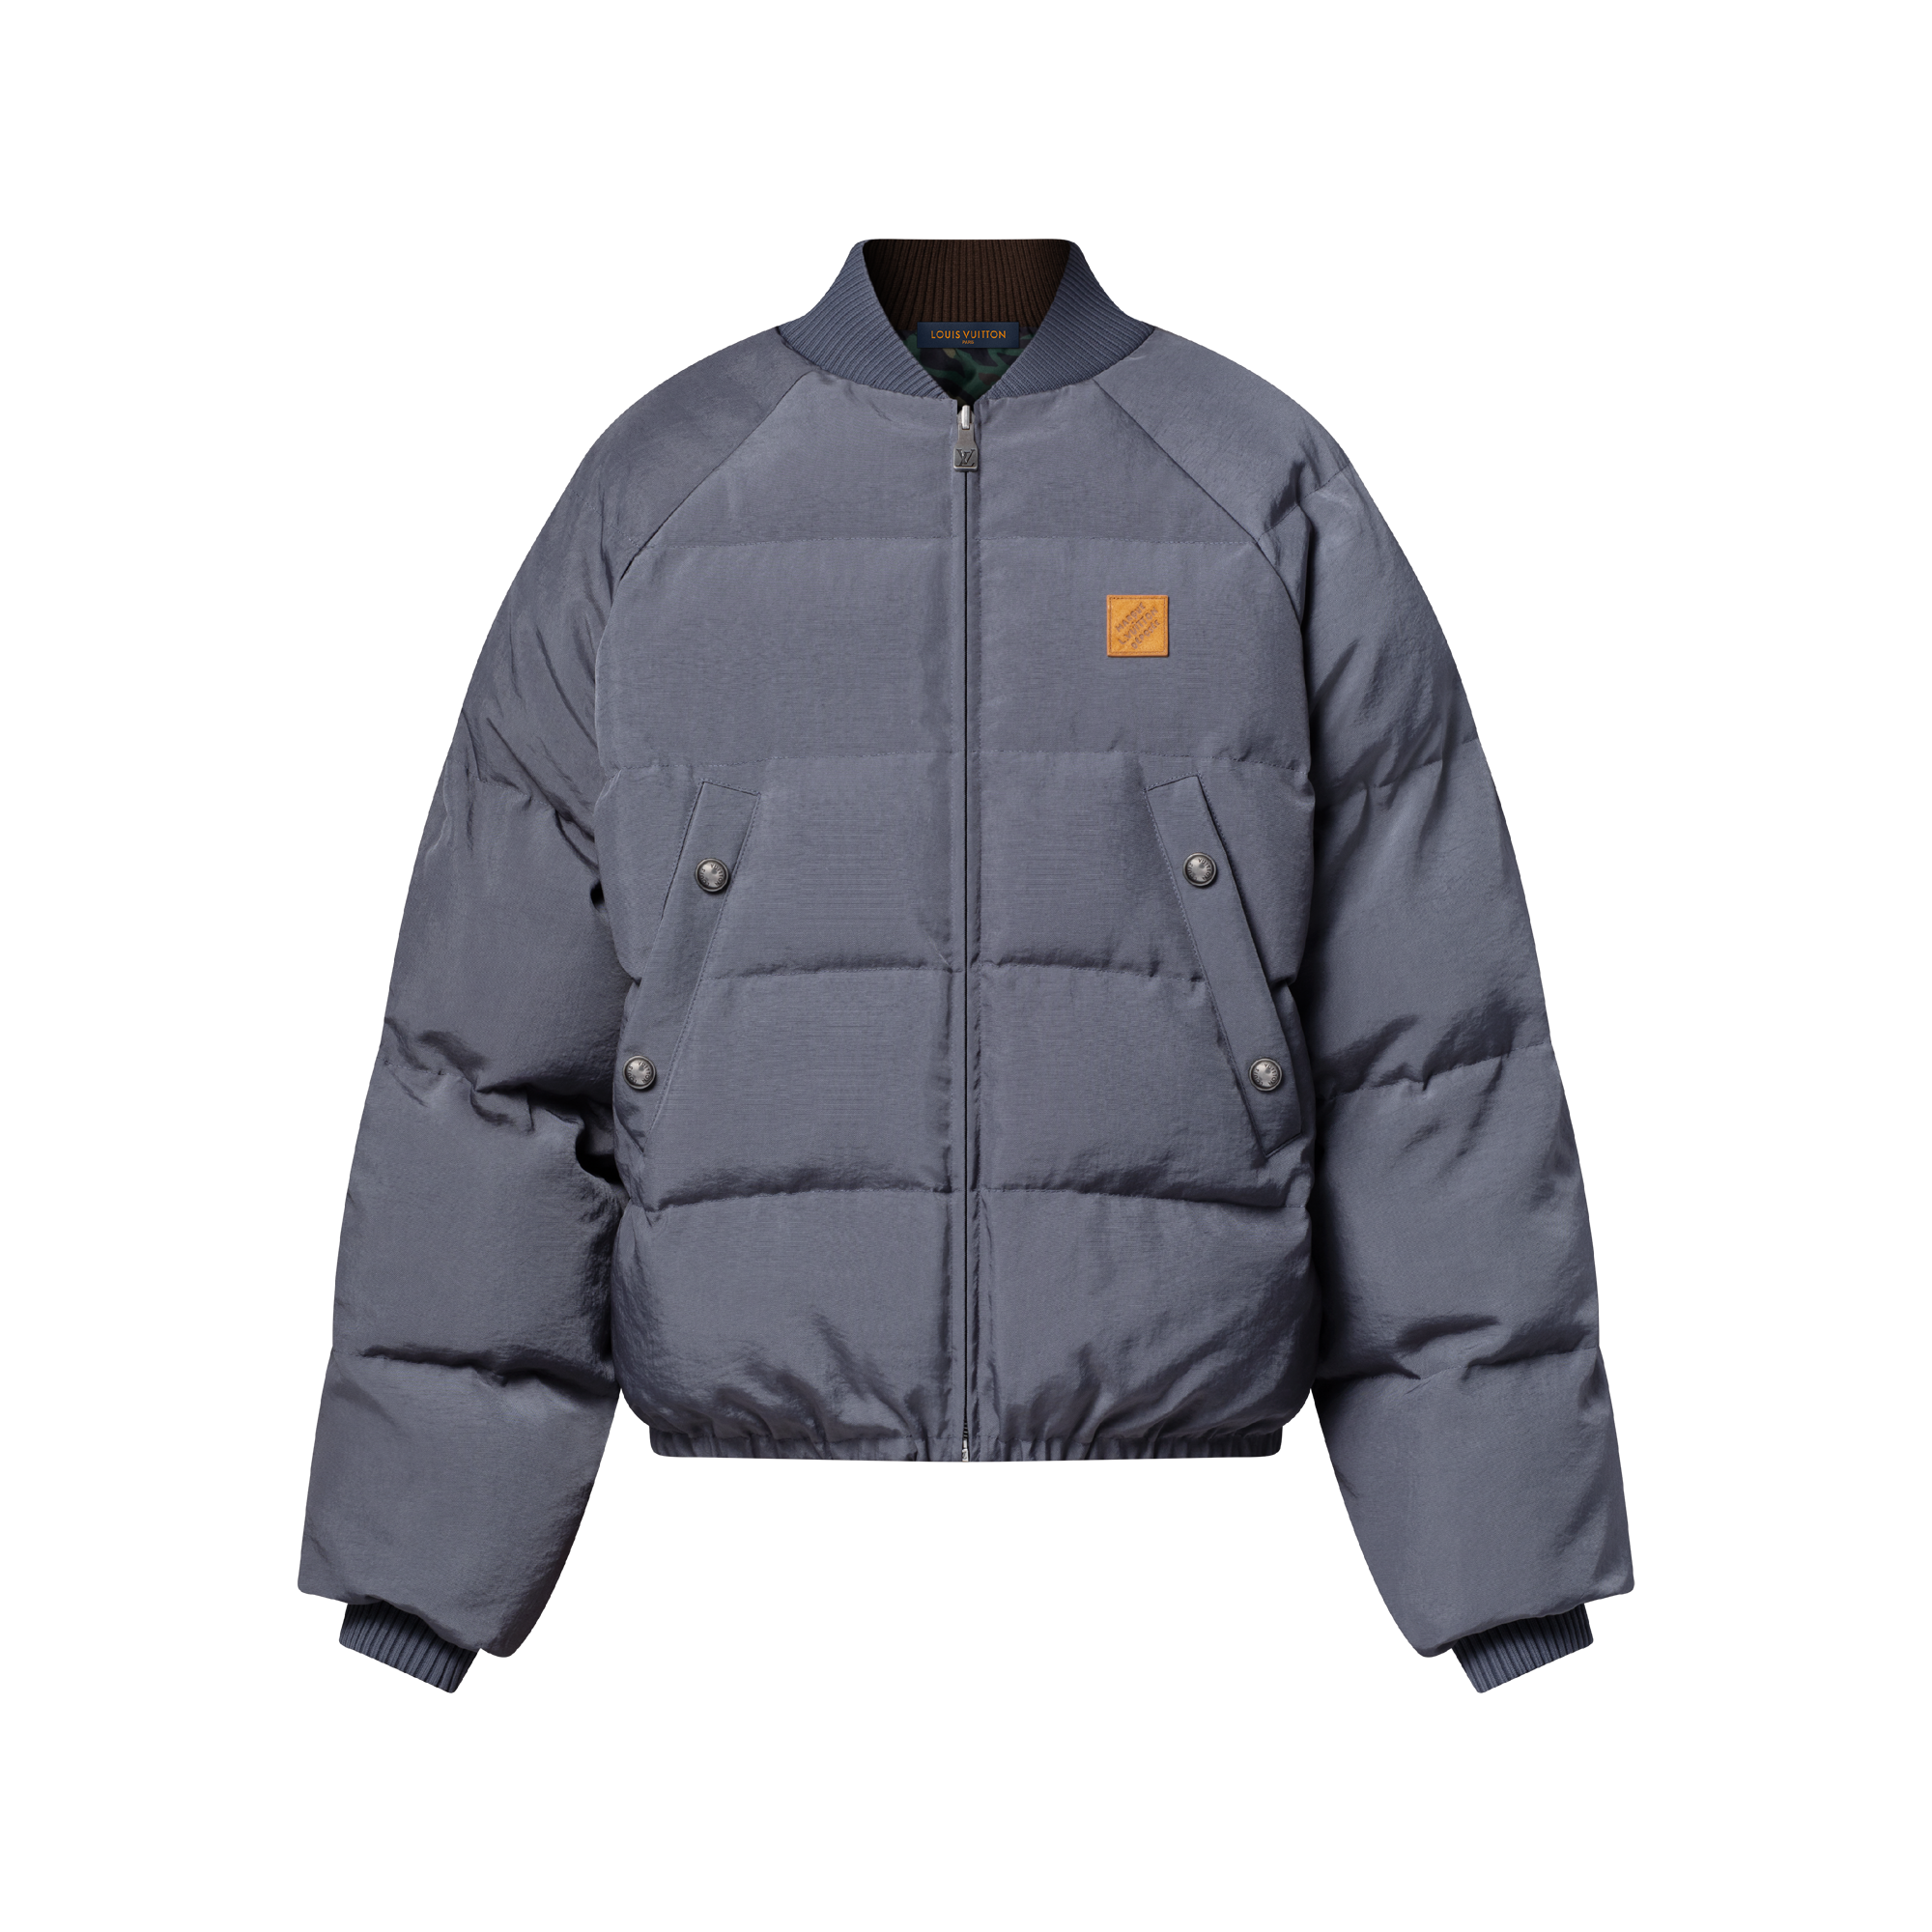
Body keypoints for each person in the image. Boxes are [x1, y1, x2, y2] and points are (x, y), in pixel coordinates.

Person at [301, 239, 1634, 1693]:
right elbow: (485, 1051)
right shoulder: (657, 492)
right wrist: (417, 1569)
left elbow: (1434, 1053)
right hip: (777, 1436)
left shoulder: (1262, 481)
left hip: (1152, 1432)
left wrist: (1507, 1577)